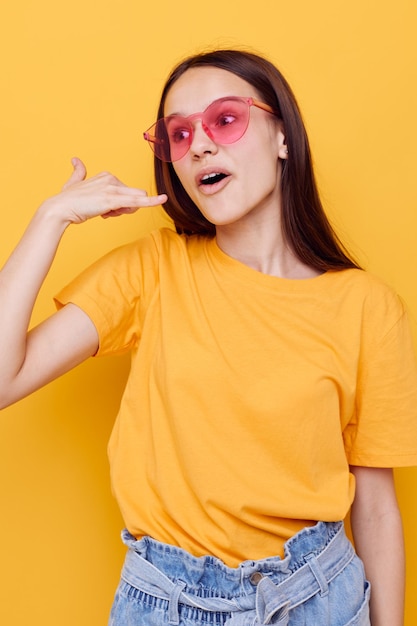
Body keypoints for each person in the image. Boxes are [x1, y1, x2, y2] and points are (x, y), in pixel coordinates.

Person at [1, 48, 416, 626]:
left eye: (225, 119)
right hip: (166, 602)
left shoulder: (369, 307)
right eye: (178, 133)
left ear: (283, 138)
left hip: (319, 597)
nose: (197, 145)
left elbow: (376, 508)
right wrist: (50, 219)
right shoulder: (152, 271)